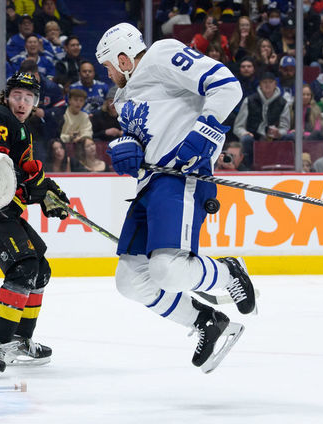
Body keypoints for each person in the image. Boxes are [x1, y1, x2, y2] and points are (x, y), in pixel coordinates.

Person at [97, 23, 254, 372]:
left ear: (123, 58)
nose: (107, 73)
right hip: (149, 185)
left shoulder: (161, 54)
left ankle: (228, 272)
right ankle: (207, 322)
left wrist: (206, 130)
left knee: (167, 270)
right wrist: (129, 148)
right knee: (131, 280)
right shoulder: (123, 98)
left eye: (108, 65)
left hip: (180, 179)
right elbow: (152, 133)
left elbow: (227, 87)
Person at [0, 71, 70, 376]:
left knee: (40, 269)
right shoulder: (0, 118)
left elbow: (27, 173)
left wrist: (50, 192)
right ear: (5, 98)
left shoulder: (21, 130)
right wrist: (36, 192)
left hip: (5, 209)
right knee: (23, 269)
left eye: (29, 98)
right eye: (17, 96)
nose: (22, 102)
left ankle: (19, 339)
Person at [233, 71, 291, 169]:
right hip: (253, 139)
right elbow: (238, 127)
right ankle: (248, 169)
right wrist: (244, 133)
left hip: (275, 140)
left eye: (270, 82)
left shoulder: (283, 103)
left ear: (275, 84)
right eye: (264, 82)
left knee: (290, 137)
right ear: (260, 84)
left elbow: (285, 126)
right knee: (246, 139)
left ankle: (286, 168)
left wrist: (279, 133)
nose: (267, 85)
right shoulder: (249, 100)